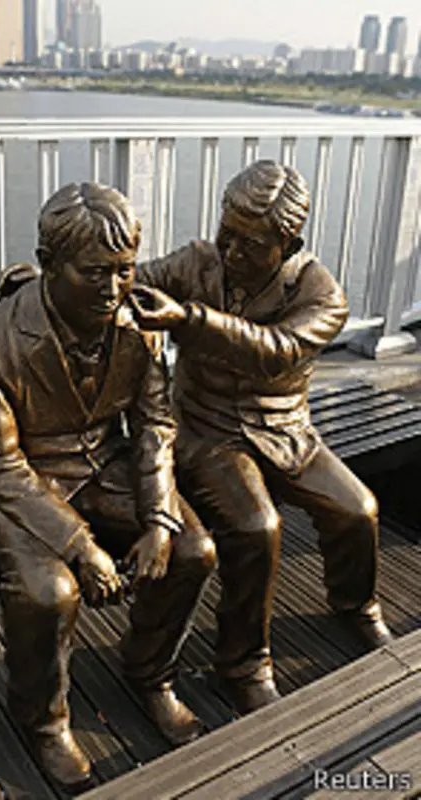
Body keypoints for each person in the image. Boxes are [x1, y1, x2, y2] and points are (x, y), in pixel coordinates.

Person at [0, 182, 216, 791]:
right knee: (50, 595)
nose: (113, 288)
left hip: (111, 462)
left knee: (191, 551)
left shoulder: (138, 323)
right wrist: (80, 545)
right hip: (27, 480)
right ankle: (43, 721)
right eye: (95, 272)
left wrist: (157, 518)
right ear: (50, 265)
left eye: (124, 270)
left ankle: (150, 672)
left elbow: (154, 422)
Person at [129, 159, 393, 716]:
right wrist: (46, 281)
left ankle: (357, 605)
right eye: (228, 235)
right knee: (256, 526)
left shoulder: (322, 295)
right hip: (206, 429)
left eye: (250, 245)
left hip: (286, 429)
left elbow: (276, 354)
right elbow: (127, 283)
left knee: (358, 510)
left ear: (289, 242)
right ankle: (243, 662)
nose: (232, 253)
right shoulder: (196, 262)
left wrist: (189, 320)